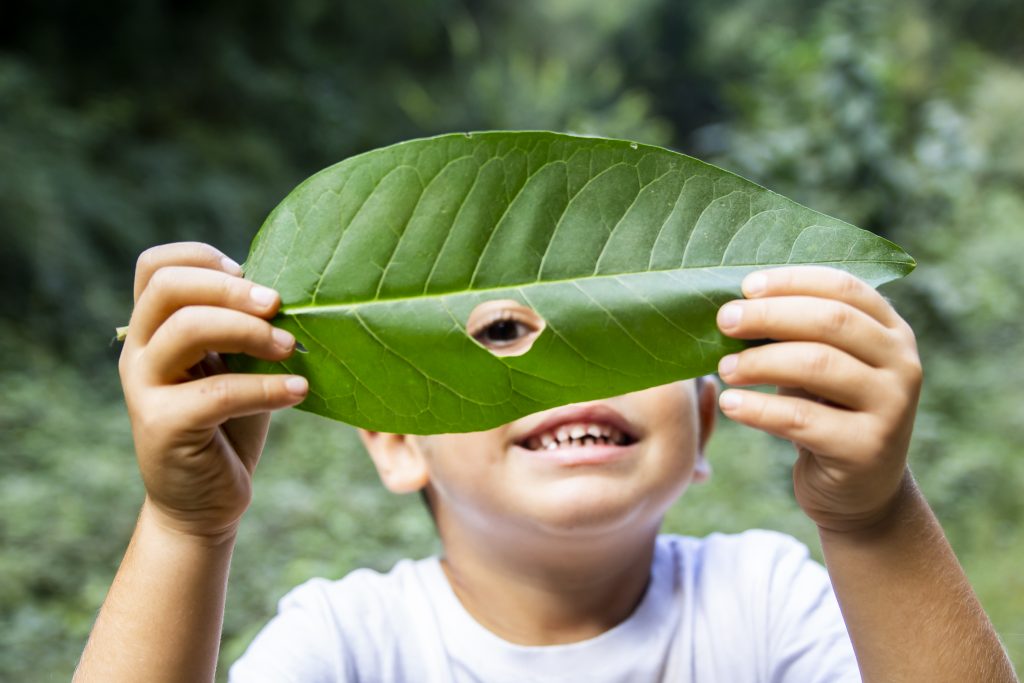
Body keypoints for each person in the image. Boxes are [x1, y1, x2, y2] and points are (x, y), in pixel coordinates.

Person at [74, 242, 1017, 682]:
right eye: (498, 337)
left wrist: (873, 515)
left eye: (621, 343)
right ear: (396, 439)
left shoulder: (765, 601)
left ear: (706, 422)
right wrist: (185, 526)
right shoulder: (348, 642)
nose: (562, 376)